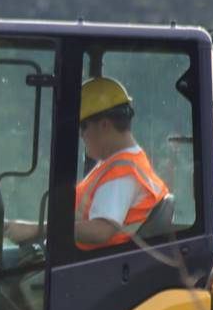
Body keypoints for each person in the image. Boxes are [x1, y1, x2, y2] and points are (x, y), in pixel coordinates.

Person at [71, 76, 168, 248]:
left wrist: (40, 230)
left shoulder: (122, 173)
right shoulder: (121, 163)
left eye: (83, 126)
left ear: (104, 125)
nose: (81, 134)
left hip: (93, 268)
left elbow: (100, 231)